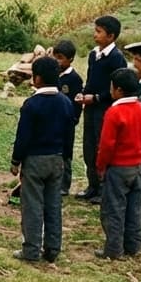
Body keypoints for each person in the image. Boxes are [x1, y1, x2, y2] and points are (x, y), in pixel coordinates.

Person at [10, 56, 72, 263]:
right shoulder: (65, 103)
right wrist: (66, 157)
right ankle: (53, 248)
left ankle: (31, 250)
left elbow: (23, 136)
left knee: (32, 206)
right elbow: (69, 134)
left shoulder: (32, 104)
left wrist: (16, 160)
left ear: (37, 78)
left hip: (35, 160)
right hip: (57, 159)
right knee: (53, 204)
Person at [95, 69, 141, 260]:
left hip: (118, 167)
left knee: (114, 209)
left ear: (118, 90)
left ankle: (113, 249)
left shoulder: (114, 112)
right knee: (134, 209)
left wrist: (101, 166)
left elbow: (107, 144)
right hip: (136, 166)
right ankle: (133, 246)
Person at [77, 16, 125, 204]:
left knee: (101, 146)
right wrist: (84, 94)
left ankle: (104, 189)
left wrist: (96, 97)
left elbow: (116, 88)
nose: (94, 35)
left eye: (99, 32)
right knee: (88, 146)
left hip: (104, 108)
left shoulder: (116, 58)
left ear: (111, 36)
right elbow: (91, 80)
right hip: (90, 107)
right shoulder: (93, 55)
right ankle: (92, 185)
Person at [52, 40, 84, 197]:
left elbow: (77, 103)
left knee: (66, 153)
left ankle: (65, 185)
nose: (57, 61)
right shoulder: (53, 75)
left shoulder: (74, 79)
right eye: (55, 57)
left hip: (67, 123)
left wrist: (73, 119)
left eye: (61, 57)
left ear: (70, 59)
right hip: (52, 122)